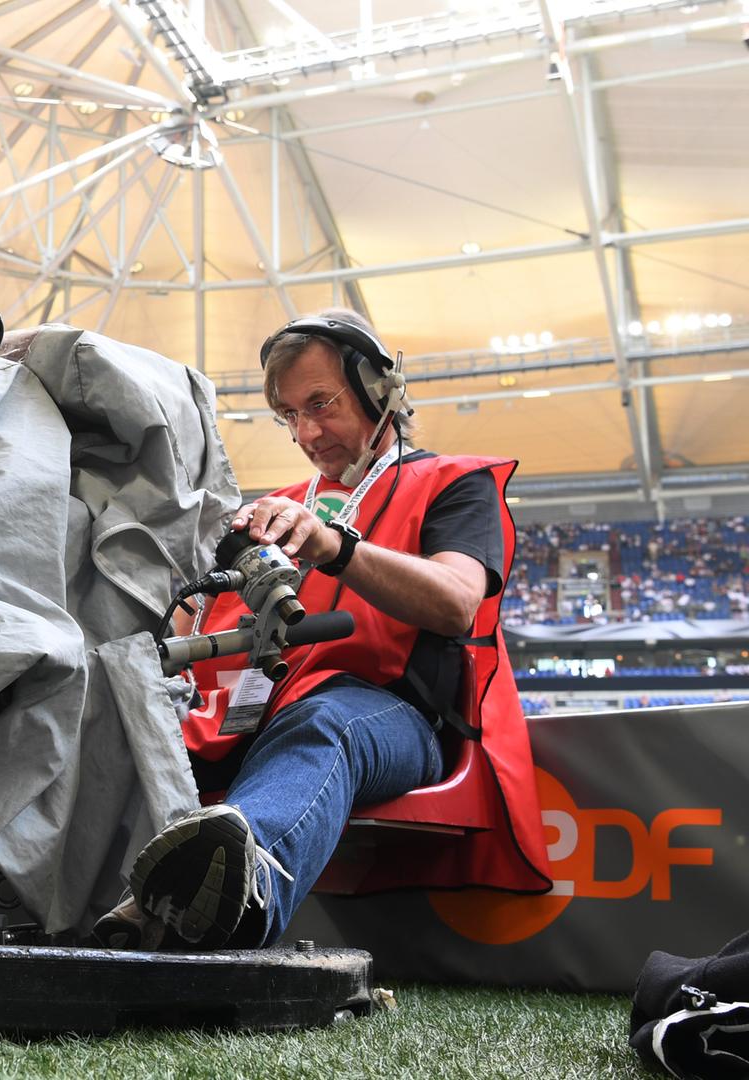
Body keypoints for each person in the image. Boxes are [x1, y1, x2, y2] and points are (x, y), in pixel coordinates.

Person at [107, 308, 549, 950]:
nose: (306, 432)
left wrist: (333, 546)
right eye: (289, 415)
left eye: (321, 404)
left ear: (380, 391)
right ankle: (113, 903)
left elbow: (457, 602)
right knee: (134, 717)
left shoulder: (455, 484)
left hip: (393, 717)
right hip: (260, 714)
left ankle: (244, 897)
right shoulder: (278, 505)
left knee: (325, 720)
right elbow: (186, 616)